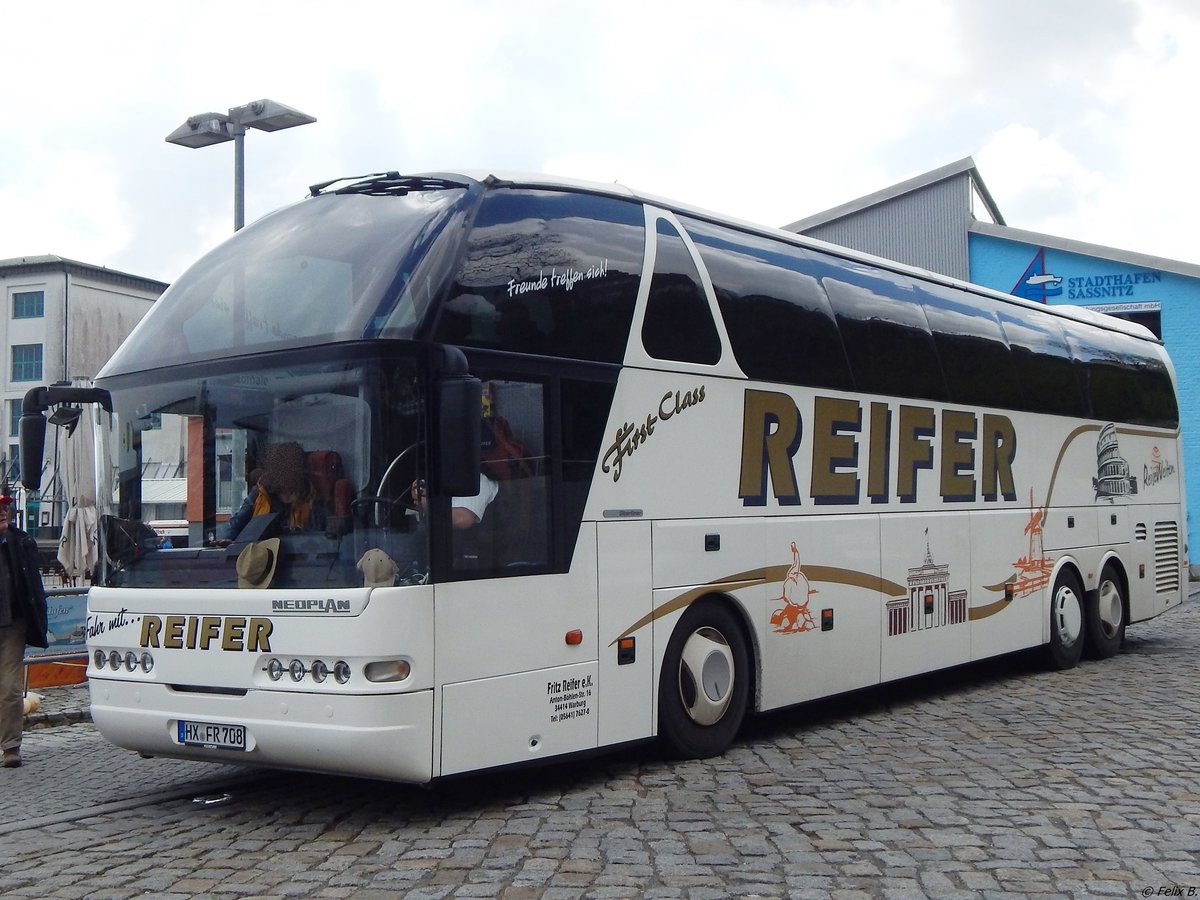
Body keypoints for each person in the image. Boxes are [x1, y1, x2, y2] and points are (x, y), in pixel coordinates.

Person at [0, 495, 49, 769]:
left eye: (5, 507)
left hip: (13, 625)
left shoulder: (20, 543)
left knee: (9, 688)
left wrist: (37, 622)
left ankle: (10, 747)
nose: (2, 513)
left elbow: (34, 587)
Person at [224, 446, 326, 541]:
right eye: (281, 469)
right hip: (264, 555)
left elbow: (321, 537)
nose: (286, 474)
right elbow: (236, 525)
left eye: (292, 468)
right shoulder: (261, 495)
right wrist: (228, 541)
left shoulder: (310, 497)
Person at [410, 473, 498, 529]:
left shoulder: (477, 478)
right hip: (429, 537)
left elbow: (462, 519)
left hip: (460, 550)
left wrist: (426, 504)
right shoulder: (438, 475)